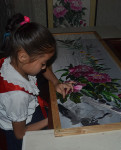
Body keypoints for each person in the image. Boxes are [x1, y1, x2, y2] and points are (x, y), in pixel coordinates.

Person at [0, 13, 74, 150]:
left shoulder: (13, 59)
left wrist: (56, 82)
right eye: (43, 63)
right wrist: (50, 118)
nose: (44, 67)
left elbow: (42, 70)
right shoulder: (17, 96)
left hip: (26, 112)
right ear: (23, 57)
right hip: (19, 132)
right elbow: (20, 134)